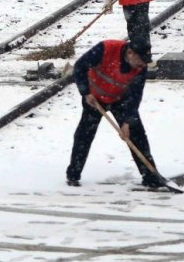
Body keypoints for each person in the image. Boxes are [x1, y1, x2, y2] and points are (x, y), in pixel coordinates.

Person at [66, 38, 159, 188]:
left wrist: (127, 122)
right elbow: (79, 67)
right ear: (130, 53)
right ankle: (73, 175)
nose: (142, 65)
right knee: (84, 135)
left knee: (137, 135)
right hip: (94, 98)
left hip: (119, 99)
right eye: (141, 60)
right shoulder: (106, 48)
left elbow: (135, 95)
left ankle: (151, 177)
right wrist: (85, 92)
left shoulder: (141, 67)